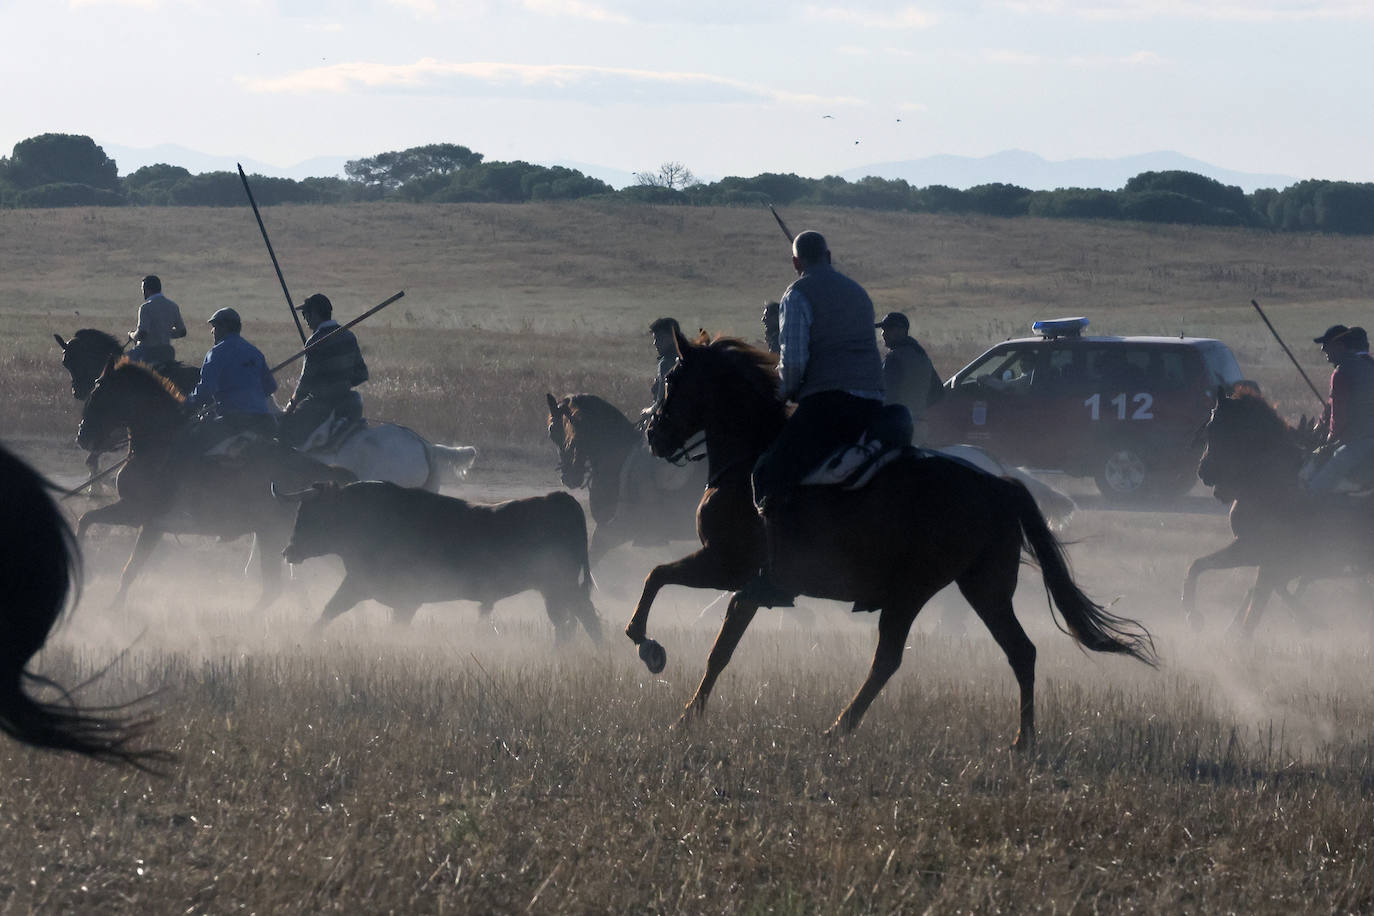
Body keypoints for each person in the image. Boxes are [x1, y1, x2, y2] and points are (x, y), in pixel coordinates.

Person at [740, 230, 885, 607]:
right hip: (873, 404)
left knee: (767, 474)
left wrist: (780, 395)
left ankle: (778, 575)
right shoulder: (857, 292)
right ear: (830, 255)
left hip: (829, 403)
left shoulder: (797, 294)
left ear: (796, 263)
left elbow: (796, 362)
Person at [278, 293, 369, 449]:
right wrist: (342, 381)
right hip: (349, 402)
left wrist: (291, 406)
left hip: (322, 405)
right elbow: (361, 374)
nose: (304, 319)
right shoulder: (348, 336)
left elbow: (305, 382)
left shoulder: (314, 342)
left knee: (285, 432)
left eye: (305, 314)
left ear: (314, 313)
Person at [183, 308, 278, 453]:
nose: (212, 332)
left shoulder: (216, 353)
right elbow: (270, 387)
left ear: (224, 327)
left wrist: (185, 403)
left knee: (189, 444)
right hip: (264, 421)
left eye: (214, 327)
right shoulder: (255, 352)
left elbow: (205, 392)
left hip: (234, 421)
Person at [1308, 324, 1374, 492]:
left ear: (1340, 346)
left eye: (1326, 345)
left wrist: (1328, 440)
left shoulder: (1342, 372)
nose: (1323, 350)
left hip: (1359, 439)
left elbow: (1338, 417)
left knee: (1317, 482)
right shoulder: (1366, 366)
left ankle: (1307, 508)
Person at [876, 311, 942, 446]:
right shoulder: (922, 356)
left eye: (888, 329)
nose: (883, 334)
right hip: (920, 426)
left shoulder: (894, 358)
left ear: (901, 331)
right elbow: (938, 392)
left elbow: (889, 396)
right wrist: (918, 408)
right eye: (883, 330)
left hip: (898, 427)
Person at [126, 275, 186, 366]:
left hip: (147, 352)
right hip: (167, 352)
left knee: (121, 365)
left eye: (143, 289)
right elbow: (182, 332)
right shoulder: (173, 306)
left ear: (146, 289)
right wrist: (164, 332)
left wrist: (131, 335)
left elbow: (142, 334)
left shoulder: (146, 307)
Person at [647, 317, 682, 414]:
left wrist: (649, 410)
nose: (655, 343)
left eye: (659, 339)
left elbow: (661, 401)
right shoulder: (690, 356)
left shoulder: (666, 363)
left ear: (671, 338)